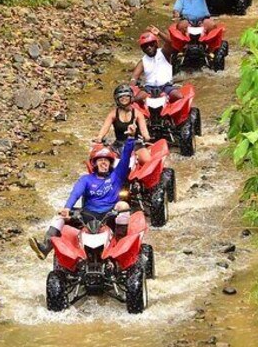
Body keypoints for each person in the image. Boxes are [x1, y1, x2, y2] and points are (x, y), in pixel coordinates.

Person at [29, 126, 137, 260]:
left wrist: (131, 138)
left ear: (110, 163)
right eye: (100, 160)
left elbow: (126, 157)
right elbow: (75, 193)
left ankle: (120, 245)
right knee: (59, 217)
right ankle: (45, 247)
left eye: (106, 160)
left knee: (123, 205)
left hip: (110, 215)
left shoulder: (117, 175)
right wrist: (67, 208)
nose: (103, 162)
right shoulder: (86, 179)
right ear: (94, 164)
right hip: (87, 215)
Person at [94, 84, 152, 164]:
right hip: (118, 145)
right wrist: (99, 137)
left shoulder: (138, 114)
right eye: (121, 96)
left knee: (147, 160)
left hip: (135, 144)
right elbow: (105, 128)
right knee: (105, 160)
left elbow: (144, 131)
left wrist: (146, 137)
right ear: (117, 99)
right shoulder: (113, 114)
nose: (124, 98)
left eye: (126, 96)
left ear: (131, 97)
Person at [130, 28, 181, 103]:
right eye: (145, 46)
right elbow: (134, 77)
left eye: (151, 44)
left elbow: (170, 42)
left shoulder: (164, 53)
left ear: (156, 44)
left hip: (166, 86)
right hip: (149, 87)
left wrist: (159, 33)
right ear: (142, 49)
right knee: (136, 99)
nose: (149, 47)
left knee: (179, 96)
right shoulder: (142, 61)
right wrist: (131, 89)